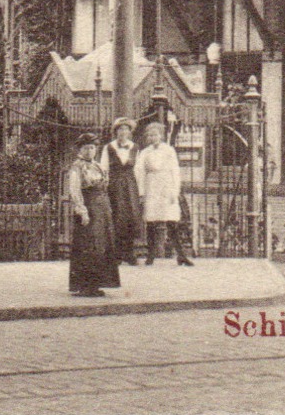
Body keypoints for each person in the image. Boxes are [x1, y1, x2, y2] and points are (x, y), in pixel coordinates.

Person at [66, 132, 121, 296]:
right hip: (89, 209)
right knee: (88, 246)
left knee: (101, 246)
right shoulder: (77, 167)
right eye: (86, 148)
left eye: (92, 148)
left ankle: (97, 283)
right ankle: (85, 285)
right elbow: (75, 190)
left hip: (102, 210)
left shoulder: (97, 166)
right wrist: (82, 211)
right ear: (80, 149)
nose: (89, 151)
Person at [134, 120, 193, 266]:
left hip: (167, 186)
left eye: (155, 134)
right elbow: (139, 172)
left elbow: (175, 171)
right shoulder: (144, 152)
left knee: (172, 222)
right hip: (151, 186)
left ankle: (181, 255)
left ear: (161, 136)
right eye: (150, 135)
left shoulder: (169, 150)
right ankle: (151, 255)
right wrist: (141, 192)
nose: (153, 137)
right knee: (151, 223)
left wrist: (175, 190)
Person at [102, 118, 143, 265]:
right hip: (114, 186)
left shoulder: (135, 148)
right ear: (115, 131)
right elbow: (104, 168)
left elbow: (138, 170)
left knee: (131, 216)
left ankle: (130, 252)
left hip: (130, 186)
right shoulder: (108, 147)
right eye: (120, 129)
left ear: (129, 132)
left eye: (126, 129)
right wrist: (104, 188)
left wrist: (141, 191)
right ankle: (117, 254)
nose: (123, 132)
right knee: (116, 217)